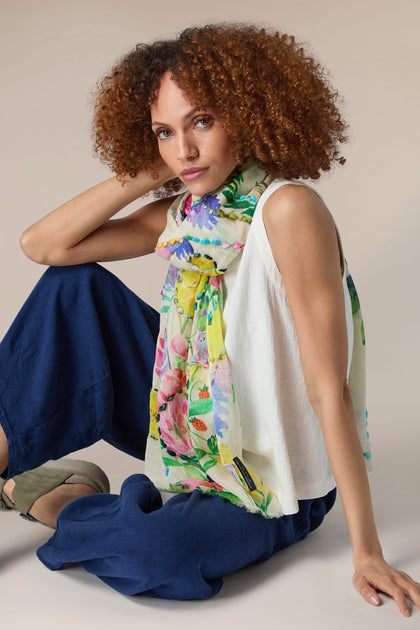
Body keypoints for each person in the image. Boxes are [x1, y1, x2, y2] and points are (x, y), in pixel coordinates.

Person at [0, 22, 419, 614]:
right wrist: (152, 171)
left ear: (247, 113)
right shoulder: (184, 212)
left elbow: (330, 391)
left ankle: (53, 496)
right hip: (193, 416)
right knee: (74, 288)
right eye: (164, 133)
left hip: (266, 474)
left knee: (156, 556)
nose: (185, 150)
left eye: (201, 122)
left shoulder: (290, 209)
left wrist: (367, 552)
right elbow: (44, 246)